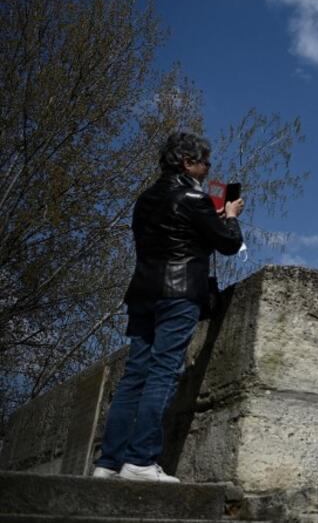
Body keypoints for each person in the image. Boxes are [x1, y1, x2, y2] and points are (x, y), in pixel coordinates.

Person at [92, 132, 244, 482]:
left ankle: (108, 462)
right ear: (187, 163)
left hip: (143, 292)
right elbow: (229, 244)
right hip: (178, 293)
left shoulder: (145, 199)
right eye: (205, 162)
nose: (208, 168)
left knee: (134, 377)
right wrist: (230, 216)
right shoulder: (194, 197)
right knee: (163, 372)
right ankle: (141, 461)